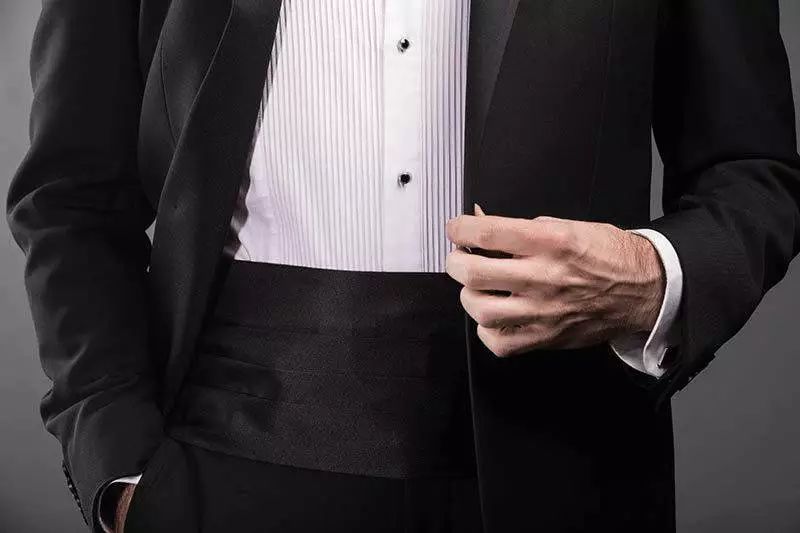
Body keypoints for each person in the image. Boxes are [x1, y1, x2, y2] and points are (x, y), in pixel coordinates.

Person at [7, 0, 800, 532]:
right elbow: (71, 196)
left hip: (567, 473)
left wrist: (654, 277)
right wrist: (118, 465)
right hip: (218, 471)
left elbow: (753, 170)